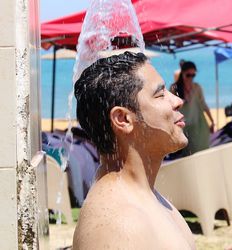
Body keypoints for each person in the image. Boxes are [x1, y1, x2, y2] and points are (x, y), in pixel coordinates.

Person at [73, 52, 195, 249]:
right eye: (160, 94)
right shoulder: (119, 224)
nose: (177, 101)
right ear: (123, 119)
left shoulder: (144, 196)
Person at [170, 61, 214, 157]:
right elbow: (170, 108)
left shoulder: (197, 87)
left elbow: (204, 105)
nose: (190, 77)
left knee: (203, 155)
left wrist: (212, 121)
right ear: (182, 73)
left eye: (193, 75)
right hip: (183, 128)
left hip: (199, 127)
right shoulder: (174, 88)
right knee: (188, 156)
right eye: (188, 75)